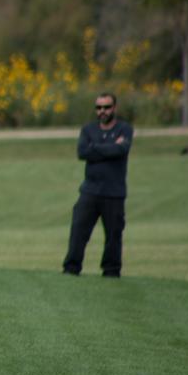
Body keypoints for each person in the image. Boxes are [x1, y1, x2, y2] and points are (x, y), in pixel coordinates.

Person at [63, 92, 133, 278]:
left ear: (114, 108)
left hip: (114, 193)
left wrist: (96, 149)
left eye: (107, 107)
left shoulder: (125, 129)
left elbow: (122, 149)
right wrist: (110, 147)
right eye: (99, 107)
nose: (102, 111)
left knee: (113, 236)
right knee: (78, 230)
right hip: (90, 191)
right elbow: (82, 152)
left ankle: (111, 271)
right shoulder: (88, 130)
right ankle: (71, 268)